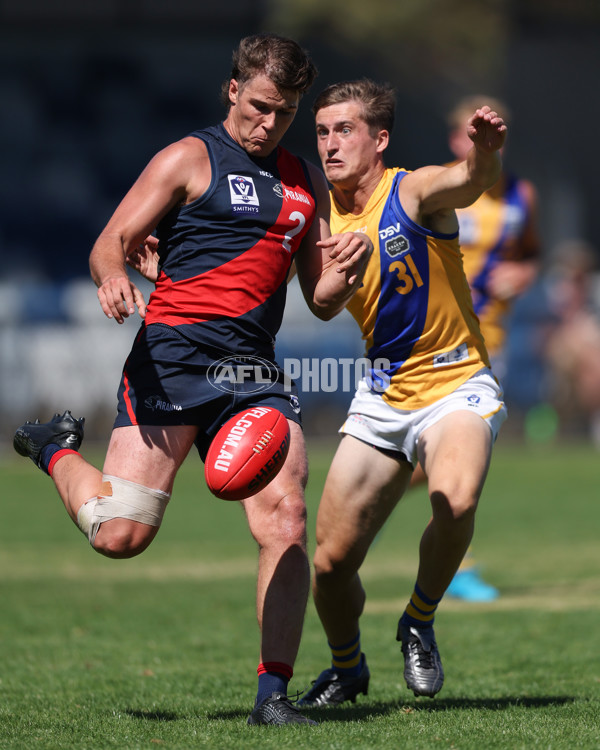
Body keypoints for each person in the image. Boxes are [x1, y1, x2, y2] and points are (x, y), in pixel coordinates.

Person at [12, 35, 372, 726]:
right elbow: (109, 242)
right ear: (233, 89)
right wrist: (114, 275)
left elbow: (318, 298)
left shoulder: (302, 181)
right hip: (169, 363)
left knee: (286, 521)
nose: (269, 124)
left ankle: (274, 696)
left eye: (286, 113)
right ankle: (54, 446)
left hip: (253, 374)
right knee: (119, 536)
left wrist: (342, 274)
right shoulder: (188, 157)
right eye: (261, 106)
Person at [296, 79, 508, 708]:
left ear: (379, 139)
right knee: (330, 567)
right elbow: (322, 304)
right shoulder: (317, 216)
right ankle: (347, 666)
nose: (331, 145)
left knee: (456, 498)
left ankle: (418, 619)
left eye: (345, 130)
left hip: (455, 381)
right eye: (323, 132)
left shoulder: (410, 191)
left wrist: (486, 152)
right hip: (383, 394)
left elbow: (468, 181)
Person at [411, 95, 542, 602]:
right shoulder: (435, 187)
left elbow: (532, 253)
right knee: (427, 458)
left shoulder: (520, 195)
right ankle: (445, 557)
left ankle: (448, 557)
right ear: (453, 139)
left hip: (494, 343)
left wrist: (525, 274)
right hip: (434, 339)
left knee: (454, 458)